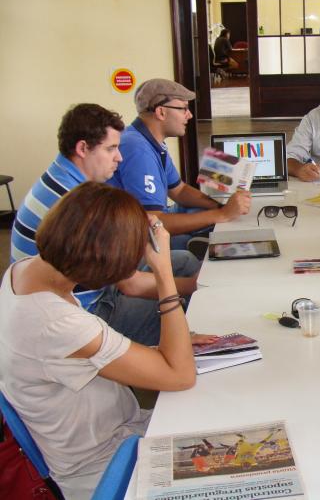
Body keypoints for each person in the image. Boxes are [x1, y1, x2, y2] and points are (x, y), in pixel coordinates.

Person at [0, 182, 198, 499]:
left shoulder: (25, 272)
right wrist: (162, 274)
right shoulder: (56, 323)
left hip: (113, 432)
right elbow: (180, 376)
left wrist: (152, 353)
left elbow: (71, 359)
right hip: (106, 464)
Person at [10, 103, 208, 346]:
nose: (119, 157)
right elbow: (130, 285)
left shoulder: (62, 176)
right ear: (83, 148)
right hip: (82, 311)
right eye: (111, 148)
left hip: (75, 289)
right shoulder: (77, 204)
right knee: (183, 313)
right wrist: (197, 286)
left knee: (184, 260)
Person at [109, 78, 251, 250]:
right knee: (188, 259)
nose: (189, 115)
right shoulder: (138, 149)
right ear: (161, 112)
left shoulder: (150, 140)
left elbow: (179, 190)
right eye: (183, 108)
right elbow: (152, 221)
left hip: (151, 222)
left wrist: (219, 204)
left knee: (198, 211)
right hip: (130, 242)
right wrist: (222, 214)